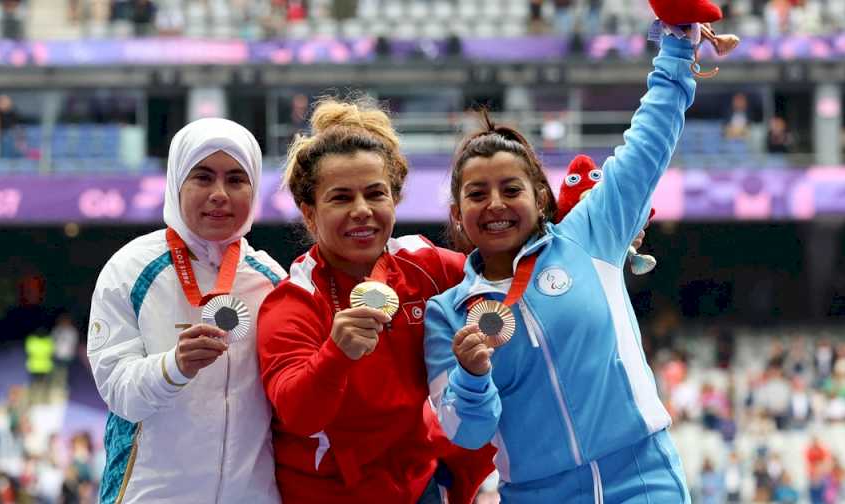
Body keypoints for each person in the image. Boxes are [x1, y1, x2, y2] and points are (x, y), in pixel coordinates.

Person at [424, 28, 699, 502]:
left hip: (644, 479)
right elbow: (466, 433)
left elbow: (648, 145)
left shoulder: (590, 236)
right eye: (477, 194)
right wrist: (471, 376)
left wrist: (676, 49)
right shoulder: (446, 314)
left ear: (539, 196)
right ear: (456, 212)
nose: (495, 205)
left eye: (511, 190)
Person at [256, 97, 494, 504]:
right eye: (341, 198)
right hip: (326, 494)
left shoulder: (429, 268)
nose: (362, 210)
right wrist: (335, 354)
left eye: (375, 194)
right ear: (309, 213)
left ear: (395, 201)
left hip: (419, 486)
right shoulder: (293, 301)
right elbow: (297, 414)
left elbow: (512, 273)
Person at [88, 118, 285, 503]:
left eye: (235, 180)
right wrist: (174, 366)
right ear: (177, 181)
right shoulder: (129, 270)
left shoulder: (272, 280)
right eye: (203, 177)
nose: (219, 194)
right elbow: (118, 392)